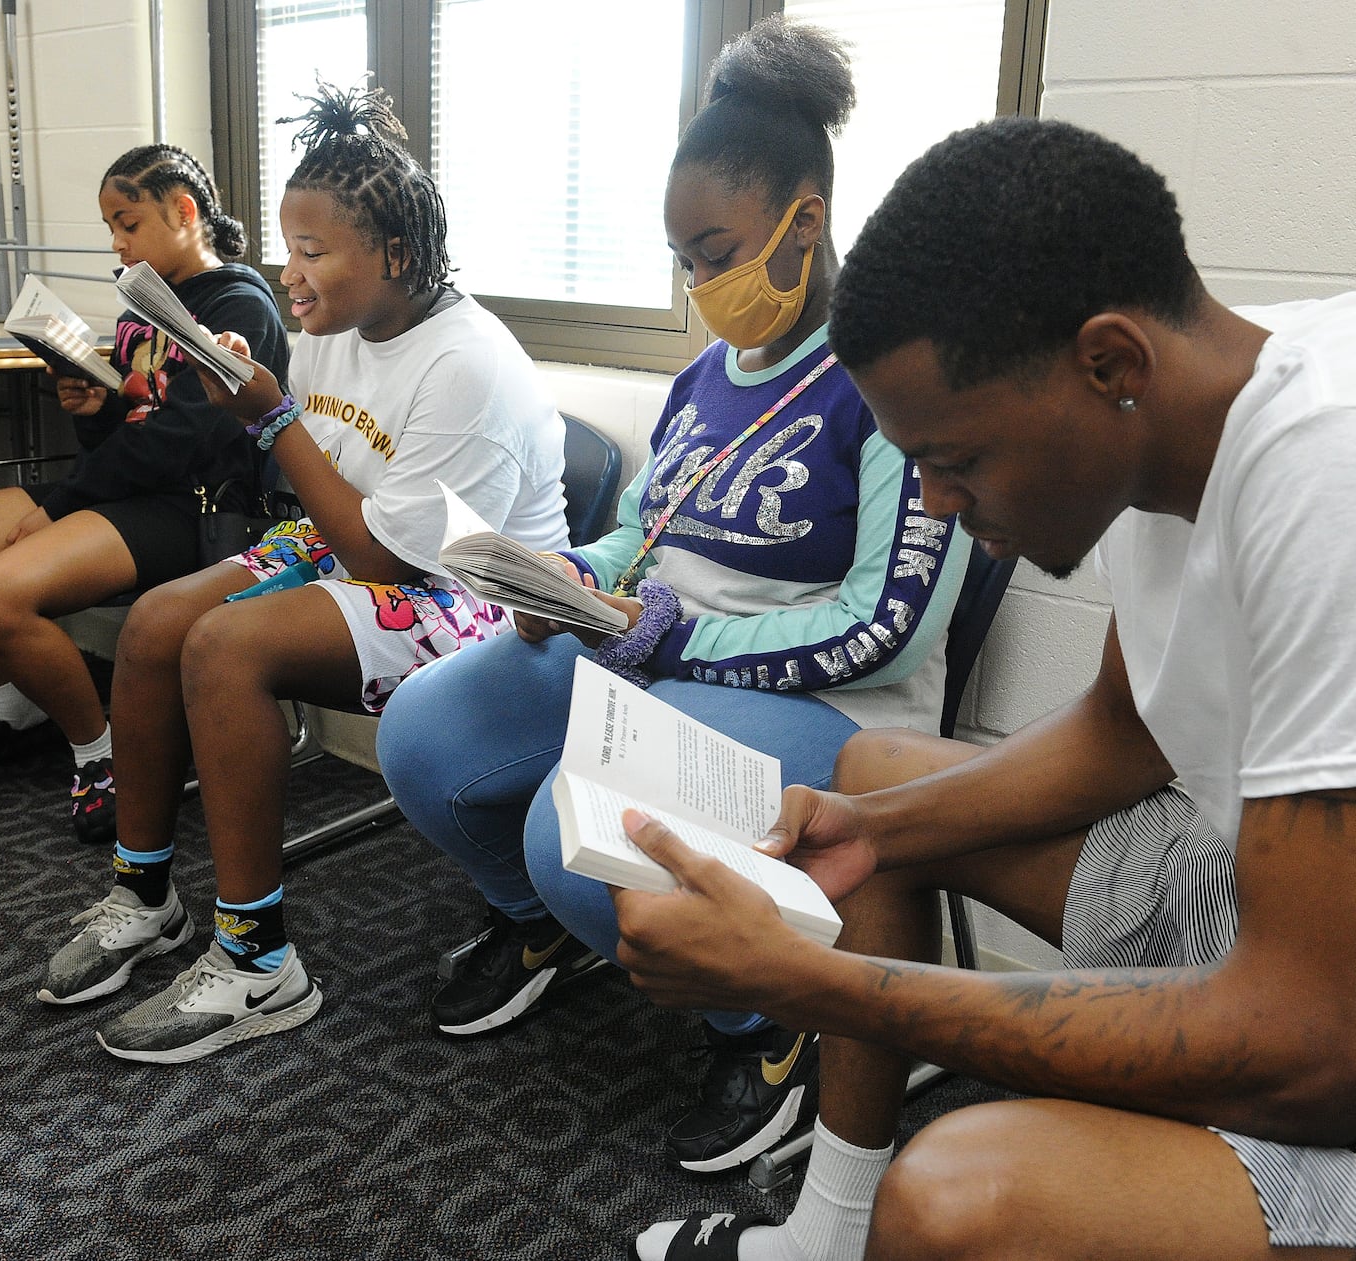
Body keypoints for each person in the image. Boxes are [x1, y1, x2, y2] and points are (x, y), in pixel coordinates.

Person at [616, 116, 1356, 1261]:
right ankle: (828, 1234)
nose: (938, 503)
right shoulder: (1185, 408)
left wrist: (820, 985)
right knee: (875, 779)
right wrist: (867, 831)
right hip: (1311, 917)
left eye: (954, 461)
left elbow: (1307, 1050)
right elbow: (1122, 734)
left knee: (959, 1200)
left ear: (1108, 363)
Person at [378, 17, 969, 1176]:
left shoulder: (884, 373)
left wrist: (682, 640)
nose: (701, 285)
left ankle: (770, 1024)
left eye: (717, 250)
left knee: (568, 826)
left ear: (804, 221)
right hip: (657, 658)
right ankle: (546, 932)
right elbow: (638, 535)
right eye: (684, 261)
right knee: (425, 733)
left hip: (840, 711)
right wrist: (575, 579)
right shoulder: (704, 378)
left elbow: (888, 625)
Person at [35, 83, 569, 1065]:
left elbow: (385, 555)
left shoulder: (466, 363)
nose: (292, 273)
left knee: (226, 647)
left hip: (475, 597)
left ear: (395, 257)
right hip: (355, 544)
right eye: (290, 248)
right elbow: (326, 504)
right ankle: (146, 894)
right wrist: (241, 388)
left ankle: (256, 961)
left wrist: (271, 416)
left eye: (315, 253)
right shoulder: (330, 331)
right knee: (158, 623)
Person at [0, 145, 288, 844]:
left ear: (183, 212)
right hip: (118, 491)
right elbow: (126, 434)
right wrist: (91, 408)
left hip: (192, 509)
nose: (118, 245)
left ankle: (103, 753)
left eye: (126, 224)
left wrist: (58, 505)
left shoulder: (239, 305)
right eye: (111, 230)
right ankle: (13, 700)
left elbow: (176, 445)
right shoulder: (144, 300)